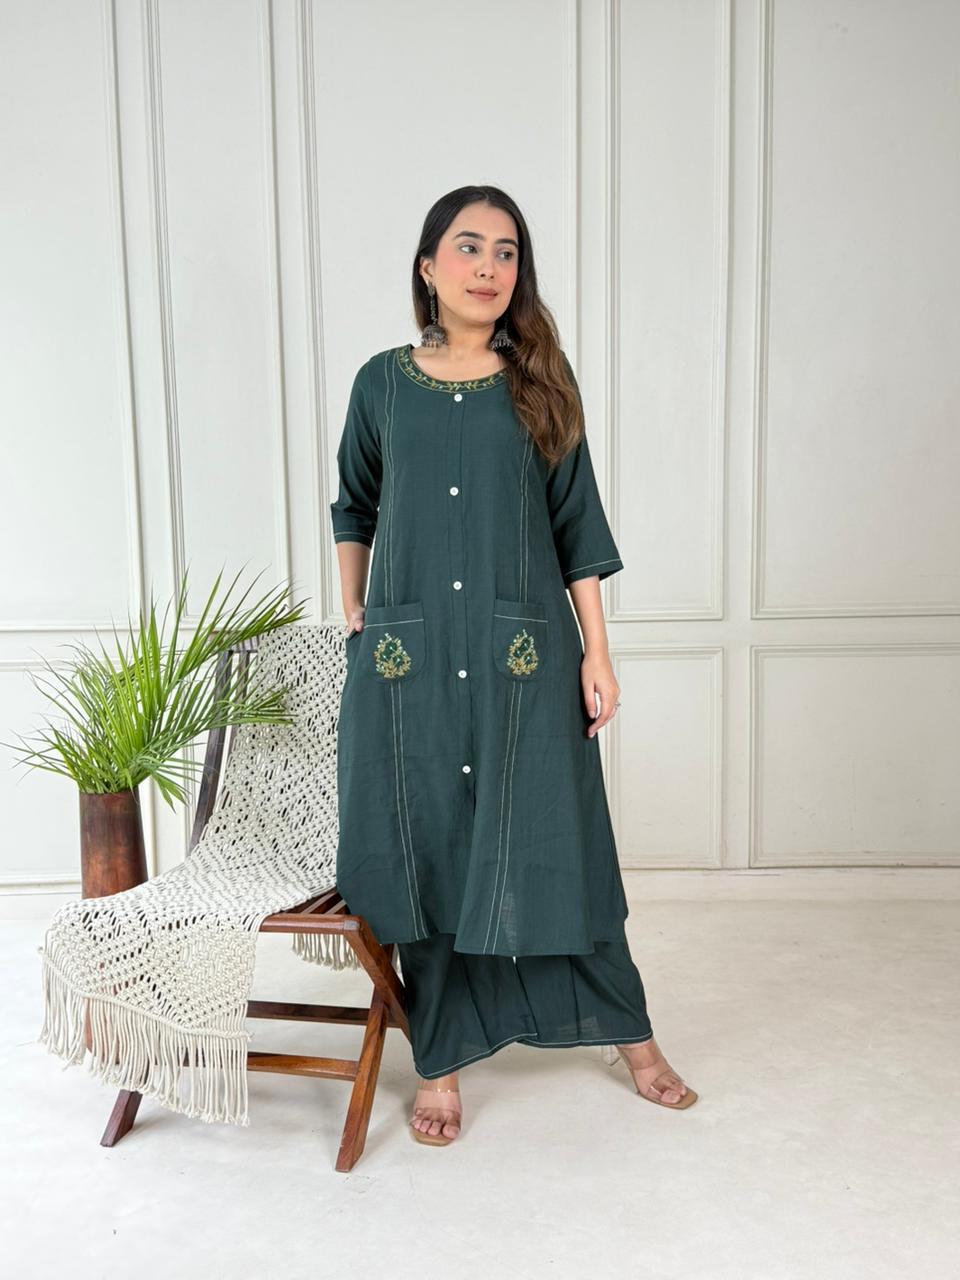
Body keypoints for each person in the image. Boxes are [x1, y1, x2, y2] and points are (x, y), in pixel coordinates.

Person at [330, 184, 697, 1146]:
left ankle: (633, 1039)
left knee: (560, 842)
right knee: (431, 854)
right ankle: (441, 1063)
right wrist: (357, 606)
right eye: (468, 247)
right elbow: (355, 504)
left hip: (524, 661)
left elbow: (578, 523)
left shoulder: (541, 379)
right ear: (428, 267)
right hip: (410, 666)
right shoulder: (380, 384)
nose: (488, 267)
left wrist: (599, 654)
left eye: (506, 252)